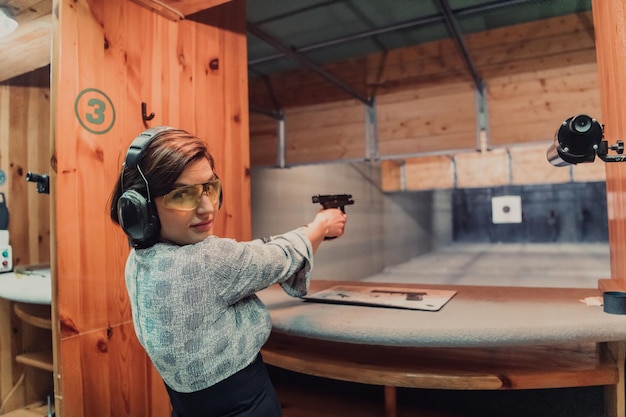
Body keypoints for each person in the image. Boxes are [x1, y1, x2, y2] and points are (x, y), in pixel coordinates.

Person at [108, 127, 347, 417]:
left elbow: (246, 256)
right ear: (141, 208)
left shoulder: (138, 260)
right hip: (248, 406)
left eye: (209, 188)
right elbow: (278, 257)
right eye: (183, 195)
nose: (207, 208)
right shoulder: (210, 260)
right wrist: (320, 227)